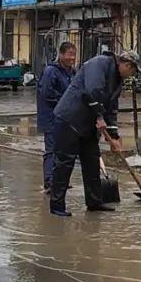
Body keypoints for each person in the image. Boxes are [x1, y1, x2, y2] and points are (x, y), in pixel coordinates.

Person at [48, 49, 139, 217]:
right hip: (70, 118)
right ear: (126, 65)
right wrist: (98, 116)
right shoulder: (99, 64)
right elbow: (91, 92)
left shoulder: (118, 81)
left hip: (89, 124)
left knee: (92, 162)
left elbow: (111, 109)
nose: (132, 75)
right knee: (64, 163)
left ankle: (95, 202)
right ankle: (57, 205)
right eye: (132, 71)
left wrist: (115, 136)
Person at [37, 42, 77, 194]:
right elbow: (47, 94)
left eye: (74, 54)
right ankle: (49, 182)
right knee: (51, 150)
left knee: (62, 151)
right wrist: (64, 103)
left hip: (66, 119)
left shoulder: (72, 72)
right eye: (69, 54)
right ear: (61, 55)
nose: (72, 58)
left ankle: (59, 181)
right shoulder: (51, 71)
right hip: (51, 117)